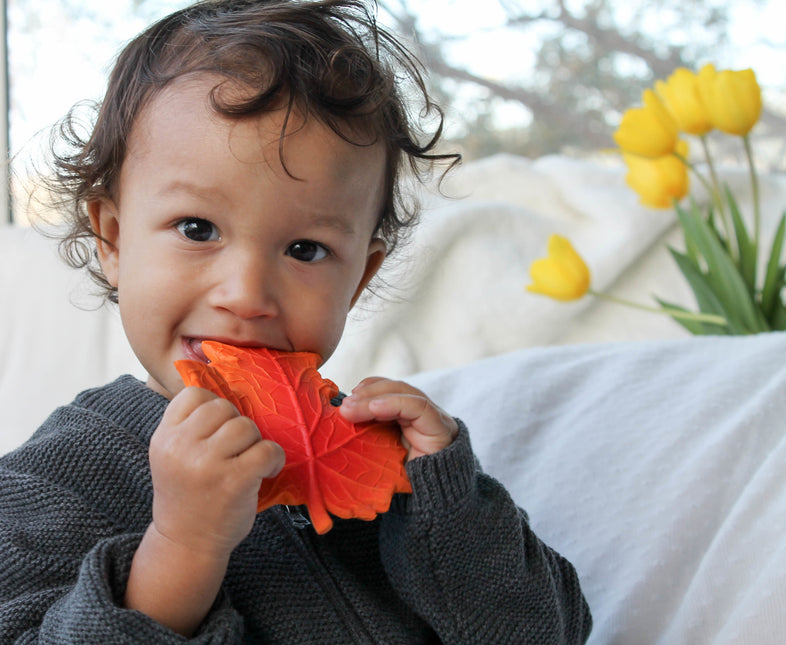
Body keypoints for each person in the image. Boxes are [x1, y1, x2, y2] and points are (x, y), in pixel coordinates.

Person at [0, 0, 592, 642]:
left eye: (305, 250)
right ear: (113, 240)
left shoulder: (388, 459)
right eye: (197, 229)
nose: (247, 293)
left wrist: (448, 498)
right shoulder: (49, 481)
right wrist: (182, 545)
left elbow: (551, 630)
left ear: (358, 279)